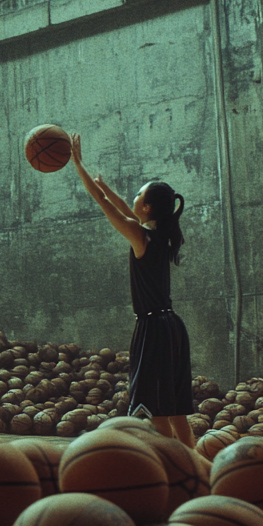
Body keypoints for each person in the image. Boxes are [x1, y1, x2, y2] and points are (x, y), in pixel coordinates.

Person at [69, 133, 195, 448]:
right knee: (174, 409)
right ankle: (194, 467)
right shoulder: (159, 233)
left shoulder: (142, 237)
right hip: (172, 327)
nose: (133, 197)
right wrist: (104, 184)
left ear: (148, 206)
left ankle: (173, 466)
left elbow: (105, 205)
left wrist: (78, 164)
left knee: (156, 411)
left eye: (138, 195)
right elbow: (124, 209)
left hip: (153, 328)